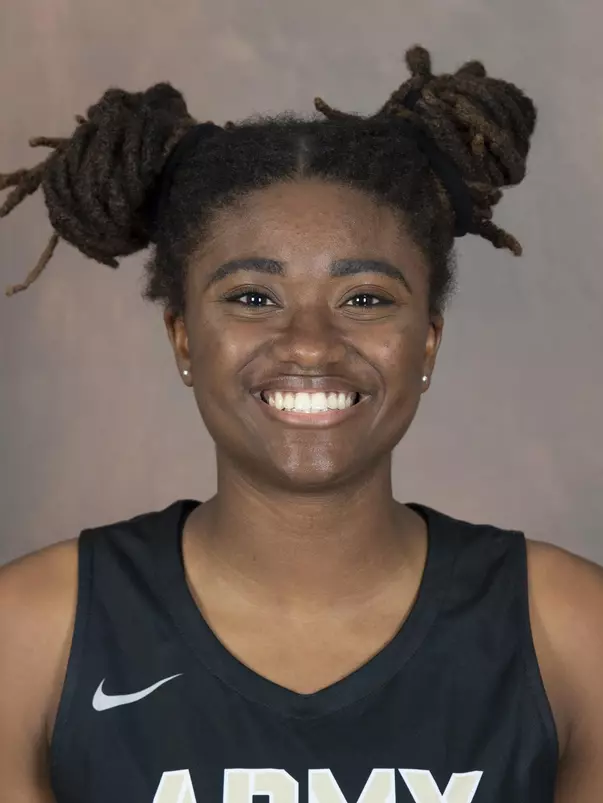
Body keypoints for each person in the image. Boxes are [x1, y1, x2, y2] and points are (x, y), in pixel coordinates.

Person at [0, 43, 601, 803]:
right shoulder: (32, 633)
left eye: (365, 299)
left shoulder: (570, 631)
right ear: (183, 339)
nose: (310, 344)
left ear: (427, 343)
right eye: (253, 298)